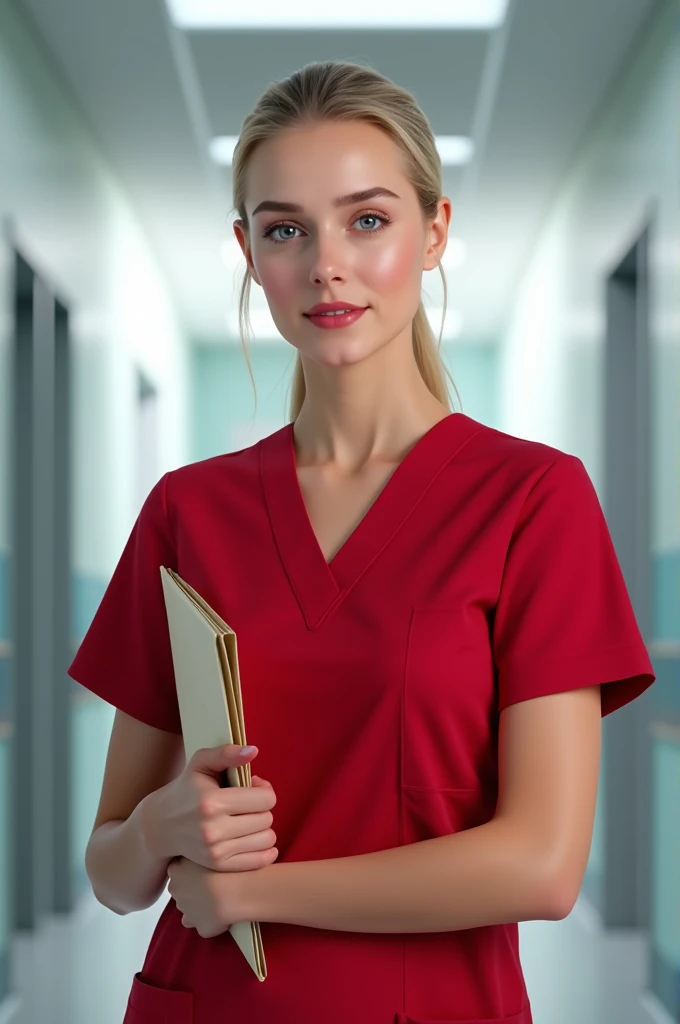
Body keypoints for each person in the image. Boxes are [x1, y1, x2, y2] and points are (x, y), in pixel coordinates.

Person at [68, 60, 656, 1024]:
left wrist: (258, 891)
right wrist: (161, 827)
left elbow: (544, 866)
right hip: (206, 1001)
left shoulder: (532, 500)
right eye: (286, 228)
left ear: (434, 233)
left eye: (368, 220)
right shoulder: (189, 509)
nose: (325, 264)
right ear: (249, 253)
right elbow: (111, 872)